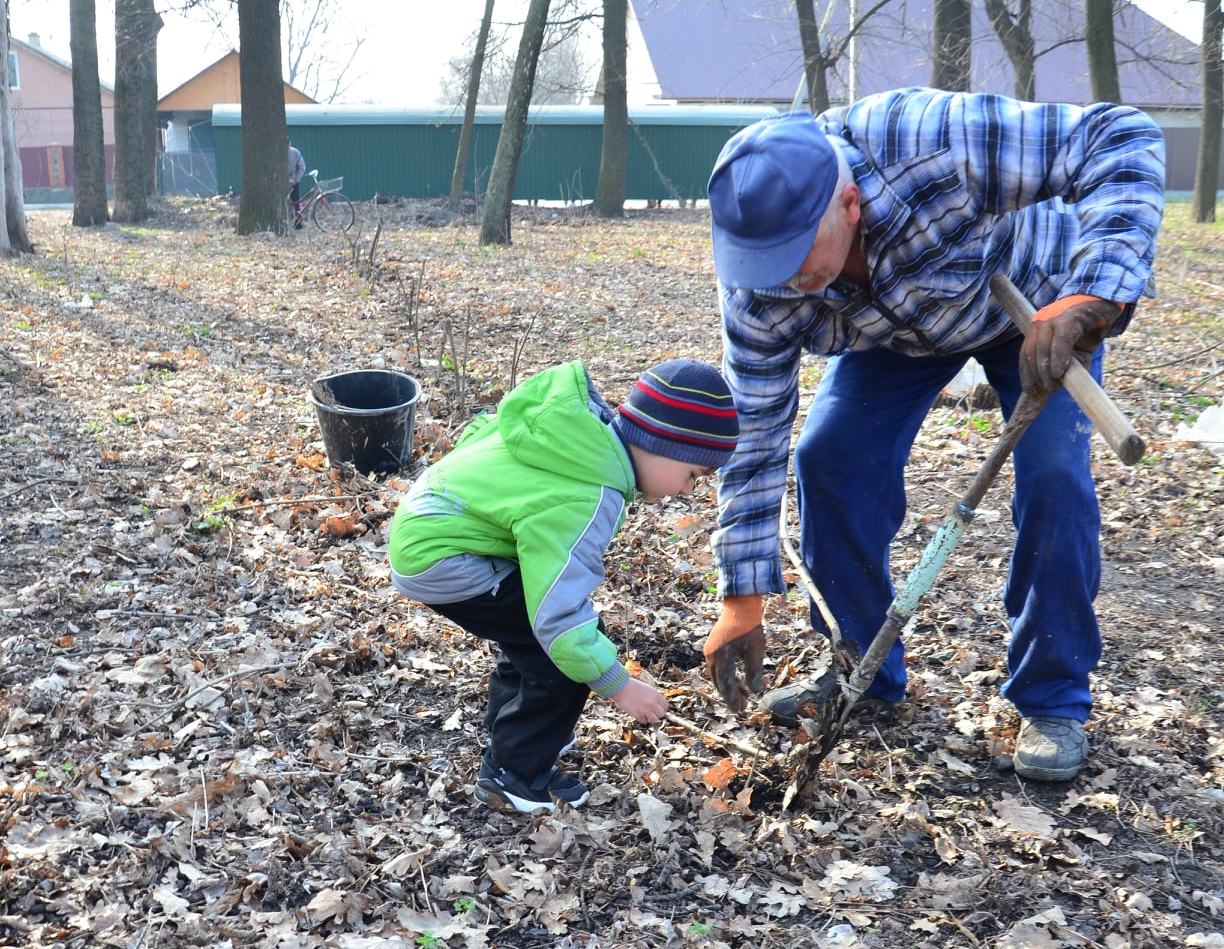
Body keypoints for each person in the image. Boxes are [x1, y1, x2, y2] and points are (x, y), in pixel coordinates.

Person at [700, 87, 1165, 783]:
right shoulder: (762, 283)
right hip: (897, 337)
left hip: (1039, 312)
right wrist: (741, 594)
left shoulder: (932, 140)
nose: (785, 284)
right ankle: (862, 668)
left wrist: (1093, 291)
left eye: (798, 258)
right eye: (766, 266)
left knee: (1055, 479)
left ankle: (1053, 699)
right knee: (827, 458)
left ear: (848, 204)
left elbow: (1121, 134)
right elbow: (755, 432)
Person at [388, 358, 739, 813]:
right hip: (444, 557)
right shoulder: (588, 491)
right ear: (663, 444)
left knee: (534, 642)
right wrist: (620, 687)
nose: (690, 491)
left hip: (430, 529)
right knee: (563, 660)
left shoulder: (573, 436)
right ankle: (514, 776)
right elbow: (559, 618)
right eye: (693, 474)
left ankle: (518, 744)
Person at [288, 141, 306, 229]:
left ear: (290, 144)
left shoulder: (295, 153)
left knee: (296, 202)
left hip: (294, 180)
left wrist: (295, 179)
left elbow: (301, 167)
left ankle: (297, 222)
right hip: (282, 182)